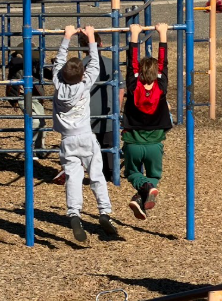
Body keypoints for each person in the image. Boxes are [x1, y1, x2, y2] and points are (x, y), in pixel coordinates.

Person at [52, 25, 118, 242]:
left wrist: (67, 36)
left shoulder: (58, 85)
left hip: (67, 140)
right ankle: (104, 212)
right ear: (81, 75)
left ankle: (74, 213)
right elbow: (95, 65)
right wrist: (91, 38)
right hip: (86, 137)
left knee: (73, 177)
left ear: (62, 75)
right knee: (96, 174)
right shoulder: (84, 85)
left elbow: (59, 63)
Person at [122, 22, 172, 221]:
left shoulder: (134, 87)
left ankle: (141, 192)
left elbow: (131, 63)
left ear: (139, 74)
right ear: (157, 74)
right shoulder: (161, 87)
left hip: (133, 143)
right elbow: (164, 63)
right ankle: (145, 190)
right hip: (154, 144)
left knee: (132, 172)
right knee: (154, 176)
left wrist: (133, 36)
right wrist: (163, 34)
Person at [77, 31, 124, 177]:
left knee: (86, 150)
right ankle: (110, 174)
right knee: (109, 148)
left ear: (81, 48)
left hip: (85, 117)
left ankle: (90, 171)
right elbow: (121, 89)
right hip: (108, 114)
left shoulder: (78, 67)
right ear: (101, 44)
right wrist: (117, 109)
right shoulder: (111, 64)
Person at [5, 46, 47, 160]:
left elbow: (44, 72)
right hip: (22, 96)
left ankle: (40, 149)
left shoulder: (35, 64)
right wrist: (35, 58)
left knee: (42, 122)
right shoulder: (16, 61)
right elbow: (16, 61)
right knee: (34, 122)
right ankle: (29, 149)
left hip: (35, 96)